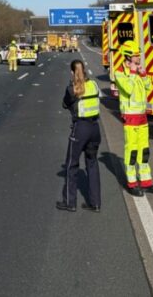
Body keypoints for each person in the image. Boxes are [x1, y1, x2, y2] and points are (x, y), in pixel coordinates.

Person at [114, 40, 153, 196]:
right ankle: (132, 183)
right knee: (132, 151)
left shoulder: (137, 71)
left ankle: (146, 182)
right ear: (128, 57)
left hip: (142, 117)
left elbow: (149, 86)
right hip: (130, 117)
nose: (139, 57)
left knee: (144, 150)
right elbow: (128, 89)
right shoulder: (119, 73)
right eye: (136, 55)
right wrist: (134, 73)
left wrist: (143, 74)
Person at [56, 59, 102, 212]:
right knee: (92, 164)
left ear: (72, 72)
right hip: (95, 128)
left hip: (80, 128)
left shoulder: (72, 89)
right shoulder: (94, 85)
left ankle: (70, 202)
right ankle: (95, 203)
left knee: (72, 164)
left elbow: (65, 104)